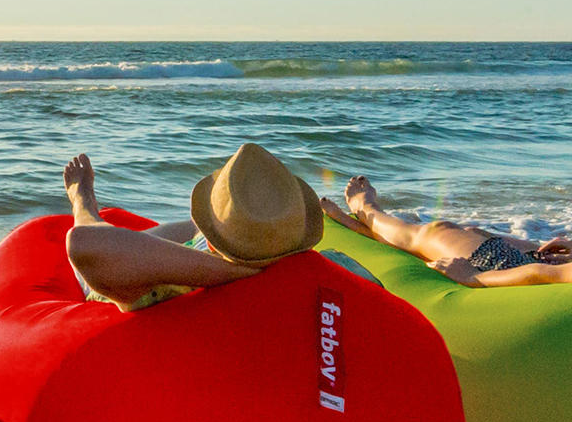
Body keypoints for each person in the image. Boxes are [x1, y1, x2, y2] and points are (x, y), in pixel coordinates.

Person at [64, 142, 324, 311]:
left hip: (123, 280)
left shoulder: (173, 287)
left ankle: (84, 203)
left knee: (89, 225)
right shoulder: (287, 241)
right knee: (203, 227)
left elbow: (83, 243)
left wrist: (235, 271)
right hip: (227, 250)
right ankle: (228, 232)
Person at [321, 176, 572, 288]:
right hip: (531, 262)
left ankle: (367, 210)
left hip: (503, 269)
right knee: (473, 231)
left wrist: (473, 277)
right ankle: (366, 226)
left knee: (436, 232)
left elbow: (538, 274)